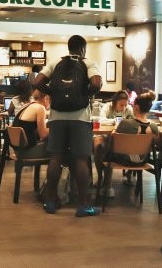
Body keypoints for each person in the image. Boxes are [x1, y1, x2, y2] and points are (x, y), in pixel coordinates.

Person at [33, 35, 102, 217]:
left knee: (55, 158)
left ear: (68, 47)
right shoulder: (88, 63)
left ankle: (50, 201)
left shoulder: (56, 62)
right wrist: (85, 94)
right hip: (80, 117)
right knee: (80, 159)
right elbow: (96, 83)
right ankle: (83, 205)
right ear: (83, 49)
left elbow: (37, 82)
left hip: (57, 117)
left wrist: (53, 92)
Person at [96, 91, 160, 190]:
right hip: (142, 161)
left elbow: (115, 139)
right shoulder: (155, 127)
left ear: (136, 107)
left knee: (101, 147)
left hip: (123, 160)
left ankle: (106, 185)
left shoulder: (125, 124)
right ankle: (127, 177)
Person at [10, 90, 51, 158]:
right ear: (46, 98)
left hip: (18, 150)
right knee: (57, 149)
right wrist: (55, 129)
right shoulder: (40, 108)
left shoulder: (29, 105)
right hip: (27, 151)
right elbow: (43, 135)